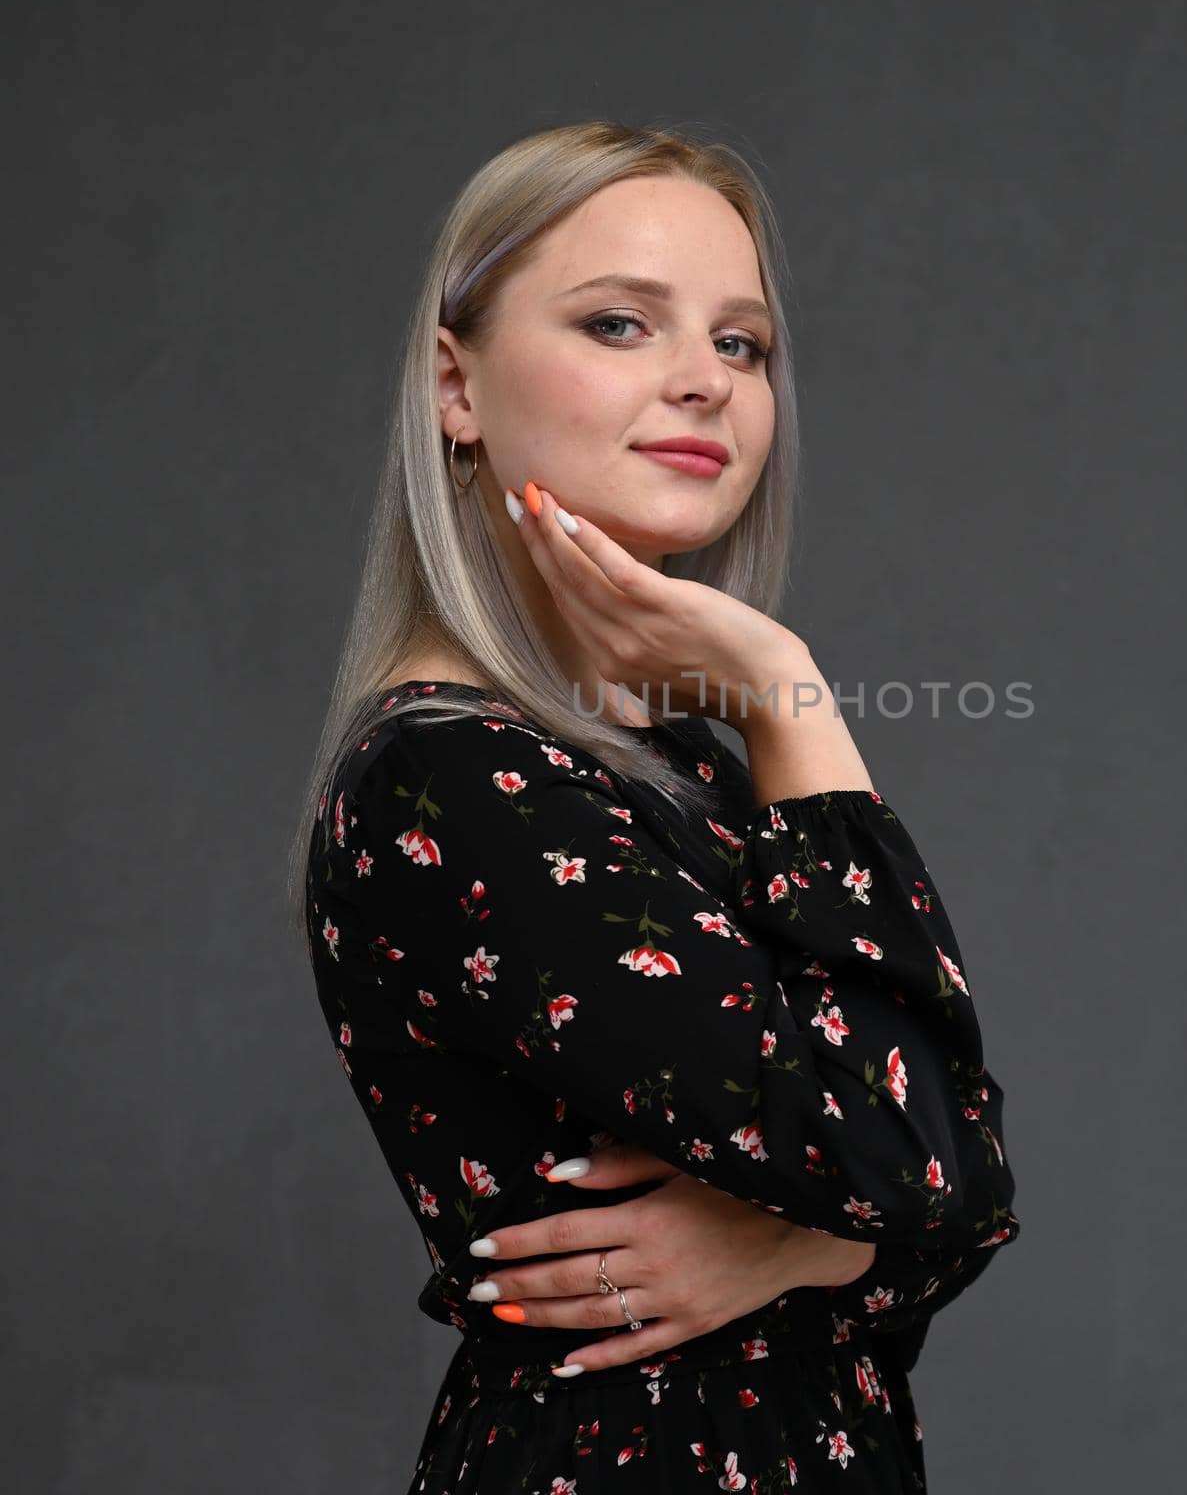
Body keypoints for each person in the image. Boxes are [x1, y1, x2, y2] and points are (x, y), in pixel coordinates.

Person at [291, 120, 1022, 1493]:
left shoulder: (690, 768)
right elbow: (929, 1161)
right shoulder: (450, 781)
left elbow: (962, 1183)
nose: (704, 382)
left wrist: (822, 1239)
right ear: (456, 384)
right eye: (621, 324)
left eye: (740, 344)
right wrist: (787, 683)